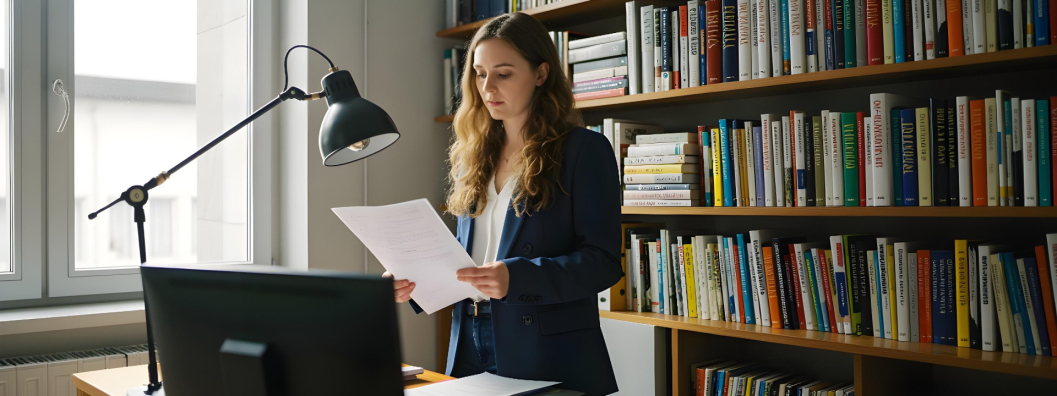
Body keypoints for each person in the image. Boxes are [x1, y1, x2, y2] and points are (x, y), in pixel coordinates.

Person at [384, 12, 622, 396]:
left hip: (545, 350)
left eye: (504, 73)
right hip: (468, 337)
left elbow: (604, 262)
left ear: (541, 74)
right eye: (479, 73)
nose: (487, 87)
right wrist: (415, 279)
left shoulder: (584, 150)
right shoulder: (472, 154)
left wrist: (518, 278)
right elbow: (467, 261)